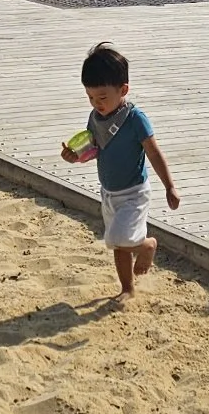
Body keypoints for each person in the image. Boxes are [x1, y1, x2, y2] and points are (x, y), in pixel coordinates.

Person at [61, 41, 179, 297]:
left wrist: (169, 186)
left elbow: (154, 152)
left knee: (118, 238)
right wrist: (75, 156)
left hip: (134, 192)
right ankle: (127, 288)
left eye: (103, 97)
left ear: (123, 89)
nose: (97, 103)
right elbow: (94, 149)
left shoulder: (135, 119)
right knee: (118, 245)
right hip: (108, 192)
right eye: (91, 97)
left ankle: (147, 246)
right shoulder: (96, 118)